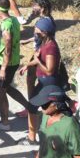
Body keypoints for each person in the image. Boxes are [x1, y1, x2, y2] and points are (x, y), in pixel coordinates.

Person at [30, 84, 80, 158]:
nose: (41, 107)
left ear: (56, 105)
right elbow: (44, 142)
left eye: (44, 104)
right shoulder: (45, 116)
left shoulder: (70, 126)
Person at [19, 17, 61, 145]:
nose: (34, 31)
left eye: (37, 29)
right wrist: (28, 65)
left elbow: (49, 70)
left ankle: (36, 138)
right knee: (42, 108)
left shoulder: (51, 48)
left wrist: (37, 62)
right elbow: (38, 57)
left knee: (38, 108)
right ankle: (35, 137)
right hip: (44, 82)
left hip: (48, 83)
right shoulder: (45, 42)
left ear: (44, 31)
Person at [0, 0, 30, 131]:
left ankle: (5, 123)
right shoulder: (13, 19)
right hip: (13, 61)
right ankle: (30, 108)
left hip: (4, 62)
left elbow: (7, 43)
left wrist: (2, 68)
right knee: (6, 87)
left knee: (0, 91)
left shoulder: (5, 24)